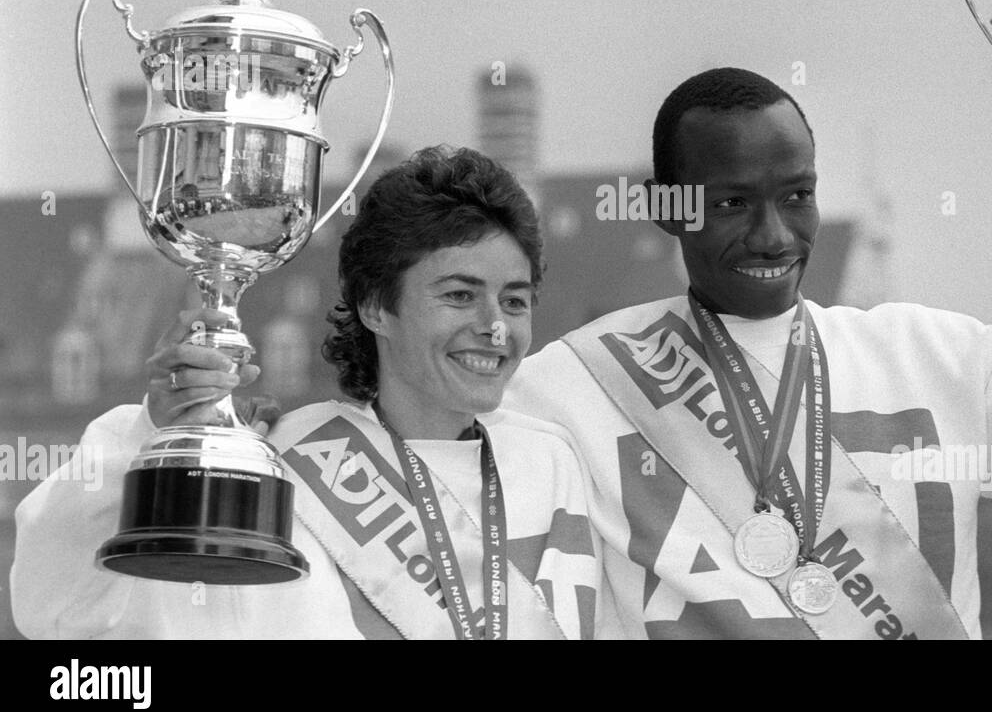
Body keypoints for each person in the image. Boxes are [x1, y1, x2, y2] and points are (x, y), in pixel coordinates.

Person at [500, 67, 992, 639]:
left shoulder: (940, 362)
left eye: (796, 195)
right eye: (731, 203)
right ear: (669, 206)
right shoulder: (566, 393)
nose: (773, 235)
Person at [12, 146, 608, 639]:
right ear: (376, 305)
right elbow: (55, 600)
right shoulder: (280, 469)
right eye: (458, 295)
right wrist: (156, 431)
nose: (495, 326)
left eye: (515, 300)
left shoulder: (554, 465)